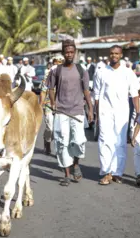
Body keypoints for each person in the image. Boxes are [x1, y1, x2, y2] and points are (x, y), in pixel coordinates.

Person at [46, 40, 93, 186]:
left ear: (75, 53)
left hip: (78, 110)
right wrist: (53, 103)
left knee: (78, 141)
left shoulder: (81, 70)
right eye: (67, 52)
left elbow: (86, 90)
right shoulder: (56, 70)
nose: (70, 54)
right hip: (61, 111)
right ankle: (66, 174)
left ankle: (76, 164)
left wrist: (90, 109)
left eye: (72, 52)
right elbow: (51, 88)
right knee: (61, 143)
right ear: (63, 53)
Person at [94, 45, 140, 185]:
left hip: (122, 113)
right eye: (111, 53)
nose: (114, 56)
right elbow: (96, 95)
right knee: (105, 141)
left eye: (116, 53)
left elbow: (135, 95)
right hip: (105, 112)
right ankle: (107, 172)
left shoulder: (128, 72)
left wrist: (138, 114)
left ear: (121, 55)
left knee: (120, 143)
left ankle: (117, 173)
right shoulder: (101, 72)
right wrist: (96, 115)